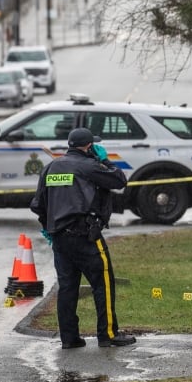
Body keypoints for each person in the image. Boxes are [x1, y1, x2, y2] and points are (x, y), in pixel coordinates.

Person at [30, 127, 136, 349]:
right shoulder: (89, 166)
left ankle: (69, 338)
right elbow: (119, 180)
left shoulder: (50, 168)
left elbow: (38, 205)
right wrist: (104, 160)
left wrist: (50, 228)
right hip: (86, 236)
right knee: (103, 283)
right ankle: (108, 334)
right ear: (89, 146)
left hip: (59, 238)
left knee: (67, 288)